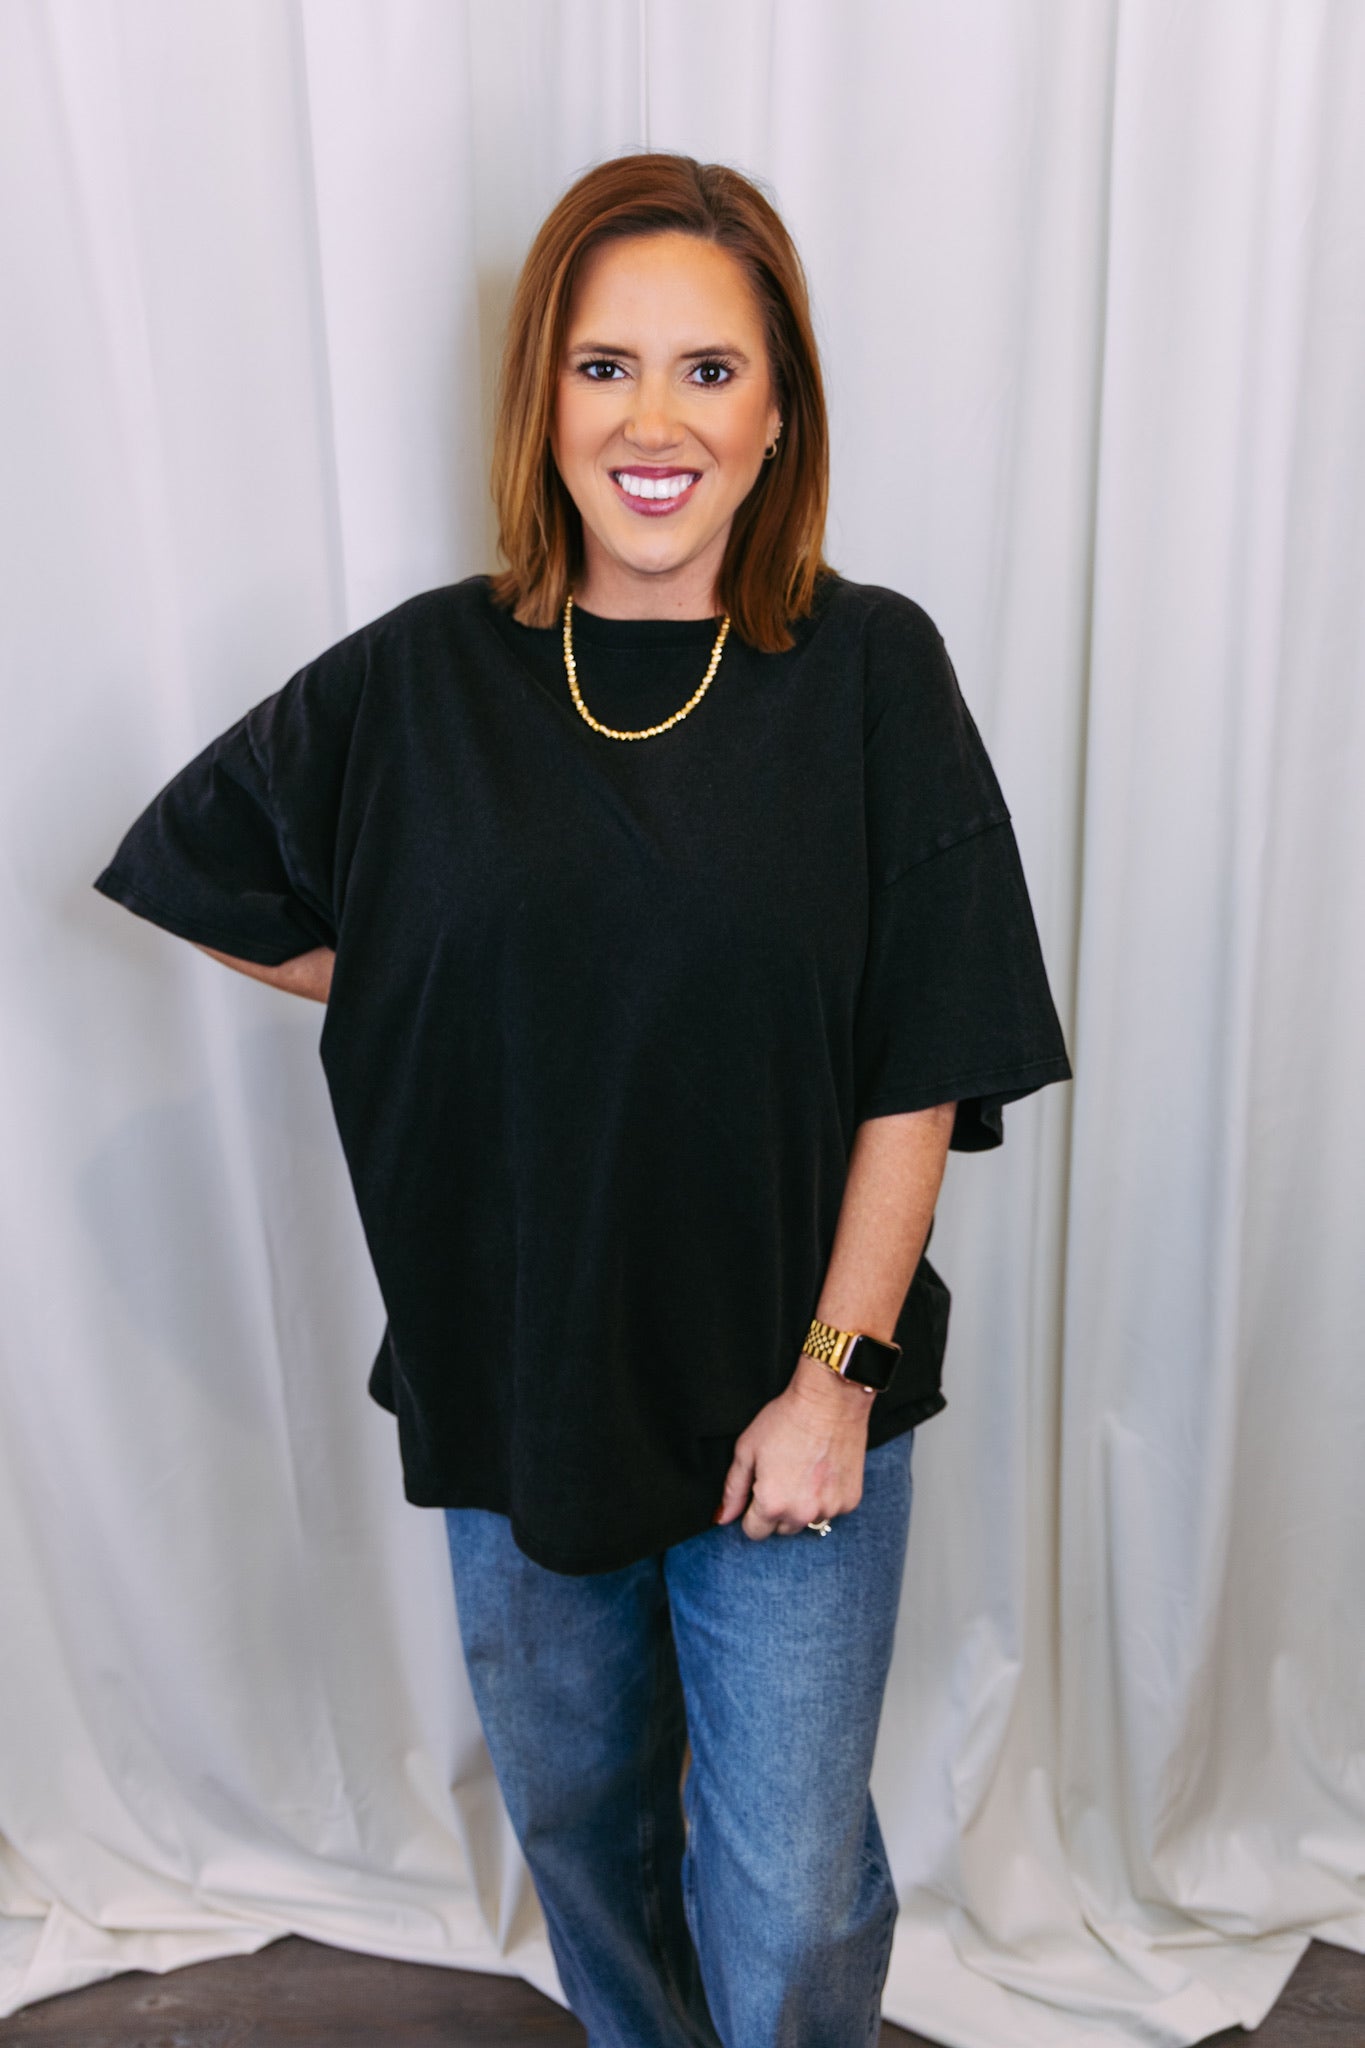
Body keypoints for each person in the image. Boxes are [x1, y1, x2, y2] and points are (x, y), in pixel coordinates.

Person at [93, 152, 1072, 2048]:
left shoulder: (869, 672)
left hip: (783, 1395)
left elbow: (923, 1060)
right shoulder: (420, 684)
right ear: (540, 398)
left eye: (710, 372)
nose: (654, 421)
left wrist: (831, 1380)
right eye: (604, 366)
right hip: (515, 1374)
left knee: (785, 1894)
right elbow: (199, 869)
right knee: (579, 1822)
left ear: (779, 411)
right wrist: (430, 989)